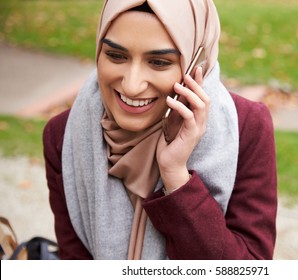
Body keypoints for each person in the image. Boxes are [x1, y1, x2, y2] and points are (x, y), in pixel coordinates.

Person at [43, 0, 277, 260]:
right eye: (116, 56)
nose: (132, 86)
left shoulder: (246, 127)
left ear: (195, 63)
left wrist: (176, 178)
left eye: (158, 62)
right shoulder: (65, 135)